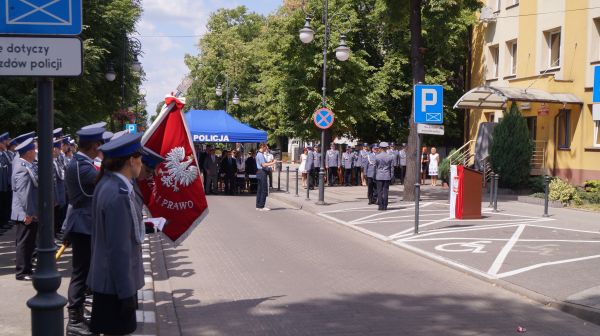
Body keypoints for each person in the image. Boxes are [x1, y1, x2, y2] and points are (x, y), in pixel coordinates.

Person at [88, 132, 145, 336]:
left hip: (109, 282)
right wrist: (126, 293)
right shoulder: (118, 193)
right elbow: (119, 249)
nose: (142, 164)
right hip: (115, 286)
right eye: (140, 159)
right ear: (131, 160)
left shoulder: (110, 184)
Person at [63, 125, 105, 336]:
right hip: (82, 224)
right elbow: (103, 179)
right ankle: (74, 320)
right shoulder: (81, 166)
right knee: (80, 273)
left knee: (85, 271)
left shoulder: (84, 163)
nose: (100, 148)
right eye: (99, 144)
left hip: (86, 224)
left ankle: (78, 315)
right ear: (94, 145)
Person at [11, 138, 38, 281]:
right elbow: (23, 193)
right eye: (33, 150)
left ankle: (27, 267)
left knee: (29, 242)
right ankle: (22, 272)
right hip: (25, 212)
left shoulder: (27, 164)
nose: (35, 152)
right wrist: (28, 213)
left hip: (29, 210)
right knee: (24, 242)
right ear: (28, 153)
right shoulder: (22, 167)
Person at [255, 143, 277, 211]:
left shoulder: (259, 154)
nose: (267, 148)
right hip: (262, 172)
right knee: (264, 190)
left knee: (259, 190)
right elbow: (263, 165)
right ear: (262, 146)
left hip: (259, 172)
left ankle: (258, 206)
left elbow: (264, 163)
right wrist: (273, 163)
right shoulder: (260, 154)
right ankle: (261, 206)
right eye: (266, 147)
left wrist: (270, 162)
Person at [375, 142, 394, 211]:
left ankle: (380, 206)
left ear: (380, 148)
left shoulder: (377, 156)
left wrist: (376, 174)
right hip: (387, 175)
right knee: (385, 191)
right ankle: (385, 205)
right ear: (386, 148)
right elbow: (391, 168)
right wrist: (391, 176)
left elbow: (376, 167)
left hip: (379, 175)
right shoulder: (390, 156)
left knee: (379, 191)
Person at [0, 132, 12, 231]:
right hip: (1, 184)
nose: (5, 145)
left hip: (4, 184)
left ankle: (4, 222)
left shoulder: (4, 154)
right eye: (3, 143)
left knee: (5, 204)